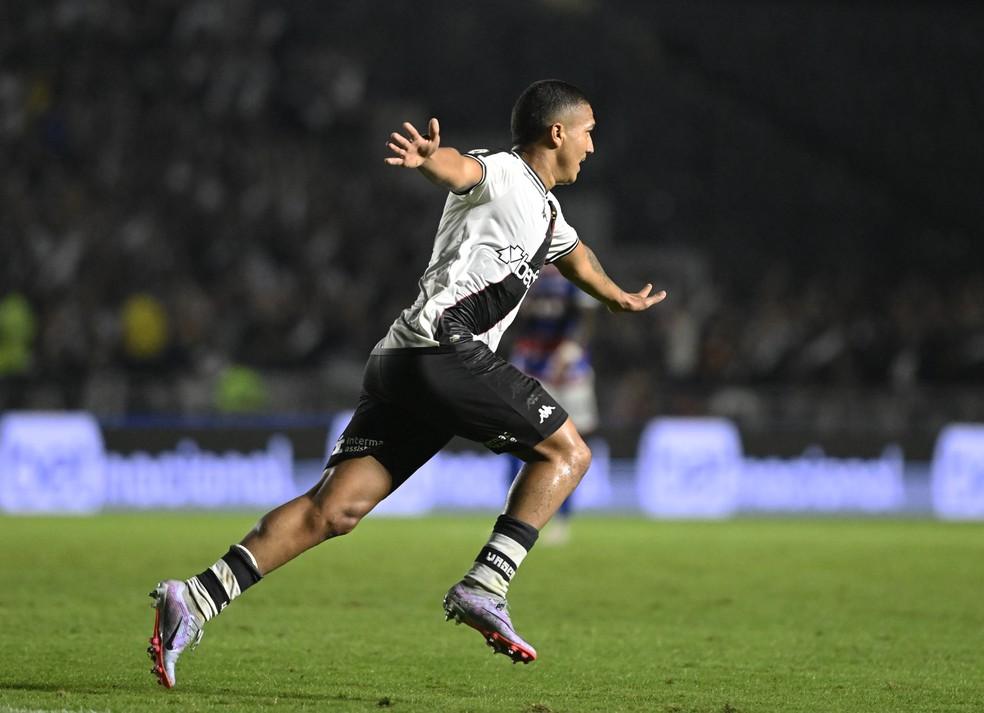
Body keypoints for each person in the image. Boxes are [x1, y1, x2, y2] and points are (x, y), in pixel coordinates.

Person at [147, 79, 666, 688]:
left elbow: (576, 256)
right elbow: (459, 170)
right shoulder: (501, 172)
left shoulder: (546, 212)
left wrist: (617, 297)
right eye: (589, 132)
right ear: (558, 133)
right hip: (442, 350)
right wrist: (429, 162)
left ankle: (195, 597)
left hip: (401, 359)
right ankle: (486, 584)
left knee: (334, 509)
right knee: (568, 452)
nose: (592, 146)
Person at [506, 262, 600, 544]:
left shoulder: (576, 263)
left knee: (573, 446)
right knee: (515, 440)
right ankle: (512, 519)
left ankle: (562, 519)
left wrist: (572, 347)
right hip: (531, 366)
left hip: (568, 371)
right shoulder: (518, 263)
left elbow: (588, 315)